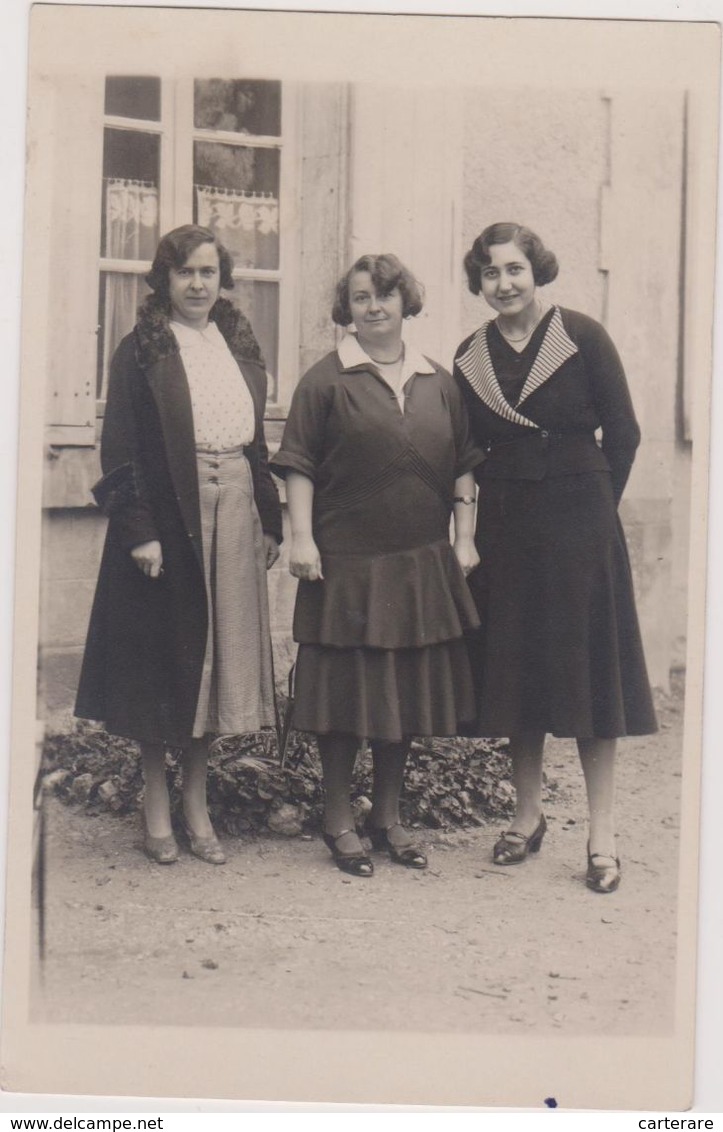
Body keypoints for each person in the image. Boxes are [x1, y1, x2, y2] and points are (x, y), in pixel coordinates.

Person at [453, 222, 657, 894]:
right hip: (506, 526)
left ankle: (601, 835)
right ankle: (525, 815)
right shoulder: (469, 356)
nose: (504, 284)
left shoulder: (581, 337)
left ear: (536, 270)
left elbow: (622, 433)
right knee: (518, 670)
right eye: (490, 273)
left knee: (587, 675)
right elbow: (465, 453)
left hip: (578, 522)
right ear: (477, 282)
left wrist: (595, 504)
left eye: (514, 269)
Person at [75, 224, 282, 866]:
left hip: (236, 508)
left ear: (224, 281)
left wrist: (269, 519)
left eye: (209, 273)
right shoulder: (142, 349)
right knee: (164, 664)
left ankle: (198, 801)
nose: (198, 284)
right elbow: (121, 447)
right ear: (164, 278)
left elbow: (255, 445)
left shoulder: (240, 346)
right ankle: (157, 804)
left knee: (215, 665)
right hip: (170, 515)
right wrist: (140, 531)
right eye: (186, 272)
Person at [271, 254, 483, 877]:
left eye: (386, 296)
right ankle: (339, 820)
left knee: (406, 696)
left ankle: (387, 818)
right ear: (349, 308)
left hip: (420, 562)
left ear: (405, 303)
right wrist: (301, 539)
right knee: (345, 696)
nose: (374, 307)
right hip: (348, 565)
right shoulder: (326, 379)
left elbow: (463, 465)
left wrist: (464, 536)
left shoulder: (438, 381)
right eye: (361, 297)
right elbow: (298, 465)